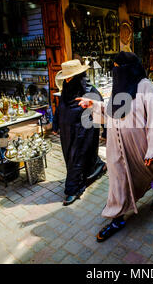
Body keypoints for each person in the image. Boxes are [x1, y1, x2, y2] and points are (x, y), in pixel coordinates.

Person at [76, 52, 153, 242]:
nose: (115, 71)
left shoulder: (145, 86)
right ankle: (117, 219)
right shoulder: (120, 86)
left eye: (118, 67)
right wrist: (93, 104)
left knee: (151, 171)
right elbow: (112, 111)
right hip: (115, 145)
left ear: (128, 69)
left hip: (139, 145)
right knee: (117, 180)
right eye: (114, 67)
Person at [56, 59, 106, 206]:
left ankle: (73, 189)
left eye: (70, 77)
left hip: (85, 129)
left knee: (77, 156)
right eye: (66, 77)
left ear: (78, 76)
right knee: (71, 156)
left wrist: (106, 132)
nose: (67, 80)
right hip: (67, 130)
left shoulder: (89, 89)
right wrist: (56, 123)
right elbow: (61, 106)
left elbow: (102, 107)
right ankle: (98, 166)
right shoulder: (66, 87)